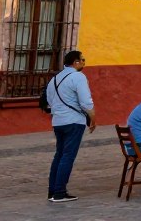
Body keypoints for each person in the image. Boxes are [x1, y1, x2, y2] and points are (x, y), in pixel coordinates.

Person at [47, 50, 96, 202]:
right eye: (83, 59)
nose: (84, 62)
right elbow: (86, 102)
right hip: (74, 121)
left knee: (59, 155)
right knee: (68, 156)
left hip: (58, 121)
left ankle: (52, 191)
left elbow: (49, 101)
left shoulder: (55, 78)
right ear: (75, 62)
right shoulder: (78, 77)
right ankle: (60, 192)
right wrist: (93, 118)